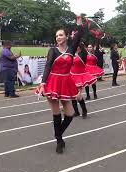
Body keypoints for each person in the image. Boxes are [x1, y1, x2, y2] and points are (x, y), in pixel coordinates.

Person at [35, 16, 84, 154]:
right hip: (53, 82)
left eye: (61, 35)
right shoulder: (53, 50)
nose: (58, 37)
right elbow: (47, 66)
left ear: (67, 36)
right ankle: (59, 141)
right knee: (56, 113)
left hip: (66, 82)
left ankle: (58, 134)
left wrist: (79, 23)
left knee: (70, 114)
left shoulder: (72, 48)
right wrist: (43, 83)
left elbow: (79, 35)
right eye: (56, 36)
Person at [70, 42, 97, 118]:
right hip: (72, 75)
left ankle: (84, 110)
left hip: (80, 76)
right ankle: (76, 111)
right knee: (72, 95)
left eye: (76, 46)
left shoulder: (83, 54)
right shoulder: (71, 53)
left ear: (79, 46)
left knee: (78, 96)